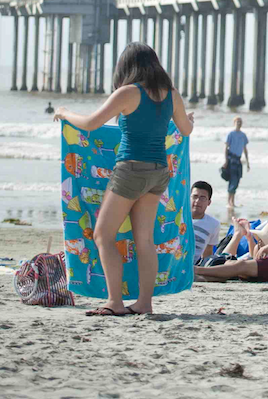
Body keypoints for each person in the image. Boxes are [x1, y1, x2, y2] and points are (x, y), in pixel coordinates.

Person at [53, 42, 194, 316]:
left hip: (130, 170)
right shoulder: (171, 94)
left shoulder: (128, 93)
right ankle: (144, 303)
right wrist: (189, 119)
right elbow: (186, 130)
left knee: (103, 235)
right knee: (144, 240)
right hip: (158, 173)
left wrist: (64, 113)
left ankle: (114, 302)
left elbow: (91, 123)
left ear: (126, 67)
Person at [190, 181, 220, 263]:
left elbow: (208, 252)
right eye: (194, 196)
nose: (197, 201)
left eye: (202, 198)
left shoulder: (213, 224)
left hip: (193, 267)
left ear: (209, 202)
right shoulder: (177, 217)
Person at [225, 117, 250, 208]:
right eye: (237, 121)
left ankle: (232, 201)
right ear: (234, 122)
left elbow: (245, 149)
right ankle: (229, 202)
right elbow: (226, 148)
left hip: (238, 160)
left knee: (237, 180)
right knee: (232, 180)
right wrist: (226, 161)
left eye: (240, 122)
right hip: (231, 159)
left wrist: (248, 163)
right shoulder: (231, 134)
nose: (239, 123)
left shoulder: (243, 135)